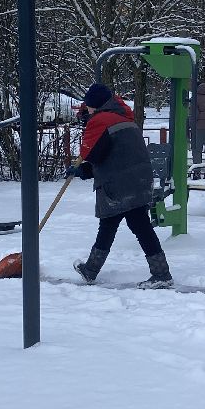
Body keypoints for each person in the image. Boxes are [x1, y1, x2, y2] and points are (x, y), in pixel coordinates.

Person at [68, 81, 172, 289]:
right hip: (137, 180)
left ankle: (162, 274)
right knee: (121, 225)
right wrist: (84, 171)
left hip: (120, 185)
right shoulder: (124, 118)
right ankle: (91, 269)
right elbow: (113, 157)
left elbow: (94, 155)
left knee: (125, 226)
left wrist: (81, 169)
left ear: (95, 104)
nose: (87, 109)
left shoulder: (101, 121)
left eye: (88, 106)